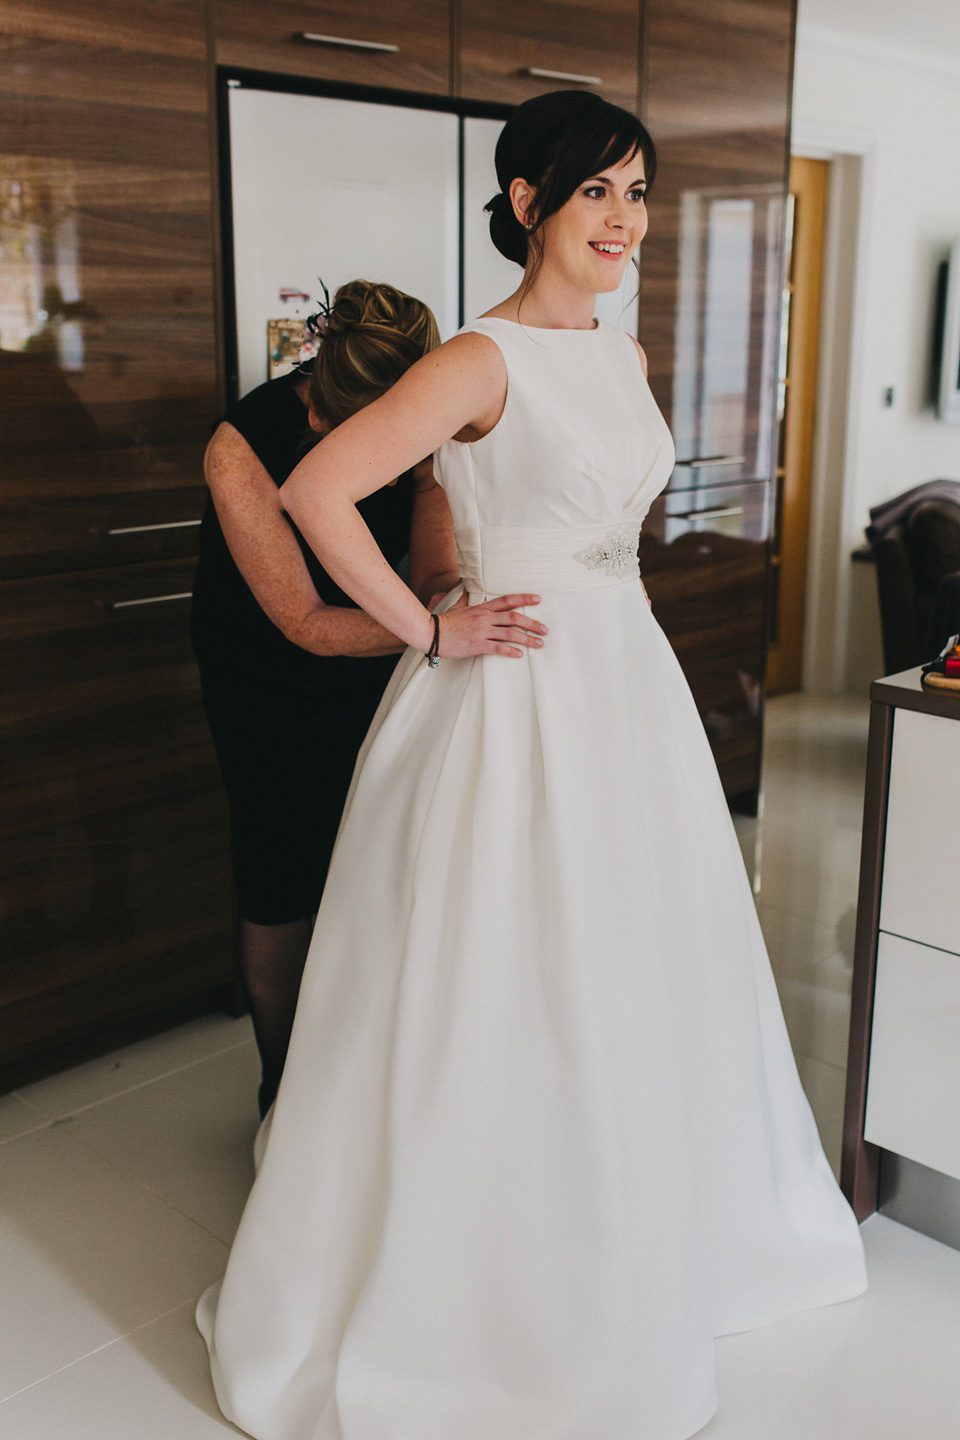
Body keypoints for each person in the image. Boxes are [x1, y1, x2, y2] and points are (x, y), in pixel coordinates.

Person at [198, 92, 866, 1440]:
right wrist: (429, 628)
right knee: (502, 965)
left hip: (624, 681)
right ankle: (488, 1277)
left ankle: (654, 1230)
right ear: (525, 205)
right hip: (507, 693)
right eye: (596, 193)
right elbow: (318, 494)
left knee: (638, 954)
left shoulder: (617, 355)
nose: (623, 220)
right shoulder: (477, 358)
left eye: (638, 194)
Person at [191, 280, 465, 1116]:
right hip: (267, 673)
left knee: (382, 863)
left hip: (397, 653)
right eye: (316, 413)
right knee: (282, 873)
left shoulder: (432, 418)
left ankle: (359, 1088)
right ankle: (282, 1082)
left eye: (338, 431)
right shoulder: (241, 447)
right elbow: (304, 622)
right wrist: (441, 631)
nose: (313, 430)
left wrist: (446, 612)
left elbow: (435, 572)